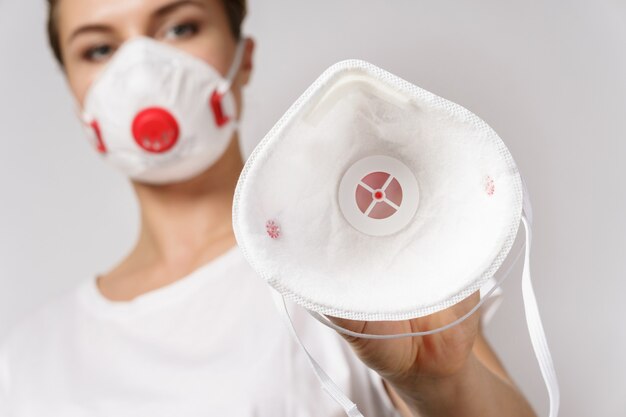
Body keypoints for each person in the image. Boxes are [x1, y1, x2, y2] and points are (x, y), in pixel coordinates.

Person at [0, 0, 538, 416]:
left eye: (179, 27)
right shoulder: (25, 361)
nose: (140, 73)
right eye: (98, 49)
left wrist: (442, 386)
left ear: (243, 59)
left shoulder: (347, 268)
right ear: (76, 97)